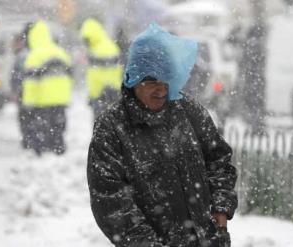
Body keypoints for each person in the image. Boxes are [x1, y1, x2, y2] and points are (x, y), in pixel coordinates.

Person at [87, 23, 238, 247]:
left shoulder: (187, 111)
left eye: (165, 79)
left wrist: (221, 207)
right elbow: (110, 201)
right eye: (151, 81)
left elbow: (219, 160)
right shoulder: (111, 127)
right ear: (134, 80)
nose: (161, 89)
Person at [21, 20, 73, 155]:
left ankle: (44, 155)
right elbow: (70, 76)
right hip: (61, 100)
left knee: (43, 131)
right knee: (58, 129)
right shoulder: (60, 52)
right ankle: (59, 152)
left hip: (42, 101)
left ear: (32, 37)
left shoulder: (34, 55)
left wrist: (28, 104)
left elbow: (30, 84)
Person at [80, 18, 123, 118]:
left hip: (106, 95)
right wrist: (93, 94)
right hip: (101, 95)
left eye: (87, 39)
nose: (86, 43)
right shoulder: (96, 48)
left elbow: (111, 72)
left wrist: (106, 90)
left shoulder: (105, 48)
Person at [10, 24, 32, 149]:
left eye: (15, 42)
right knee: (25, 120)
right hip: (25, 94)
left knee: (25, 120)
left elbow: (18, 77)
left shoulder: (22, 56)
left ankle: (27, 144)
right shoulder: (22, 55)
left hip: (25, 94)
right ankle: (27, 143)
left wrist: (17, 91)